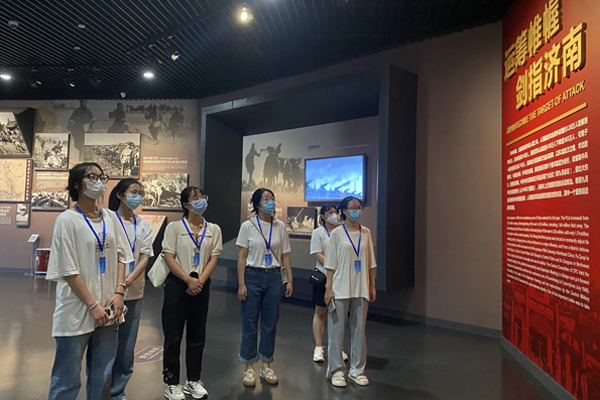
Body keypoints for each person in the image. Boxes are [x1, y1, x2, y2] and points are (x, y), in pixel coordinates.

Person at [46, 162, 134, 400]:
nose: (99, 182)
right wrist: (92, 305)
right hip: (76, 309)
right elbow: (68, 269)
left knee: (102, 376)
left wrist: (119, 293)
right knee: (66, 379)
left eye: (101, 177)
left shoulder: (111, 217)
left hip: (108, 307)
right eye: (92, 177)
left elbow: (122, 255)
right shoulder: (67, 219)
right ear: (77, 184)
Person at [161, 187, 223, 400]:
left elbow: (213, 258)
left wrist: (200, 281)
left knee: (197, 335)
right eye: (196, 198)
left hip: (201, 285)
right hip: (177, 285)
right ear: (186, 204)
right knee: (173, 335)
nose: (201, 201)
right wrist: (188, 280)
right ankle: (172, 382)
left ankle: (193, 380)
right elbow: (169, 257)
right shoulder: (175, 228)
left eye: (203, 197)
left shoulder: (213, 229)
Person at [236, 188, 293, 387]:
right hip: (252, 276)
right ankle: (248, 367)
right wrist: (241, 284)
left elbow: (285, 255)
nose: (271, 202)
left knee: (270, 323)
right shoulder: (248, 226)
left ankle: (266, 365)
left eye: (272, 199)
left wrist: (289, 280)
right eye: (266, 199)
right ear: (257, 204)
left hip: (274, 277)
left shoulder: (280, 226)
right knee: (249, 322)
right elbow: (242, 257)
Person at [108, 179, 154, 400]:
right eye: (134, 192)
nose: (138, 197)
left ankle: (118, 392)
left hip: (134, 291)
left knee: (126, 347)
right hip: (108, 292)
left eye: (140, 193)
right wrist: (118, 285)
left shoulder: (143, 225)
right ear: (120, 194)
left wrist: (126, 282)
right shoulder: (108, 221)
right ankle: (101, 391)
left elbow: (144, 257)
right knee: (105, 345)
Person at [324, 196, 377, 388]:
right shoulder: (337, 234)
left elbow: (370, 262)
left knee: (359, 330)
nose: (357, 210)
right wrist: (328, 288)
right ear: (344, 211)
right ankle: (336, 370)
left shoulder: (366, 233)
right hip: (340, 288)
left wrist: (371, 285)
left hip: (361, 287)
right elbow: (330, 263)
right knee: (336, 331)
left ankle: (357, 370)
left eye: (359, 207)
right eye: (353, 208)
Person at [309, 204, 348, 363]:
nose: (334, 215)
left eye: (336, 212)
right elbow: (318, 254)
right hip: (324, 275)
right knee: (321, 311)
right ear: (323, 216)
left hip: (341, 278)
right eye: (330, 212)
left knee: (338, 313)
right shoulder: (318, 233)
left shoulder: (342, 231)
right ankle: (319, 347)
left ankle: (337, 347)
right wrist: (332, 266)